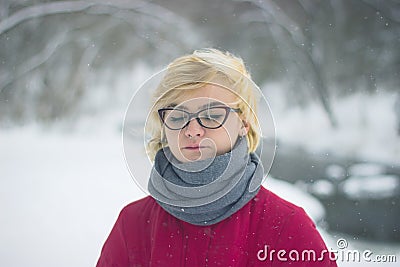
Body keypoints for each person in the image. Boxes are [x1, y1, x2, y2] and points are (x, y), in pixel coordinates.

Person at [96, 49, 337, 266]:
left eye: (211, 115)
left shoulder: (287, 226)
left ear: (244, 122)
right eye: (178, 116)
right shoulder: (134, 225)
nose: (192, 130)